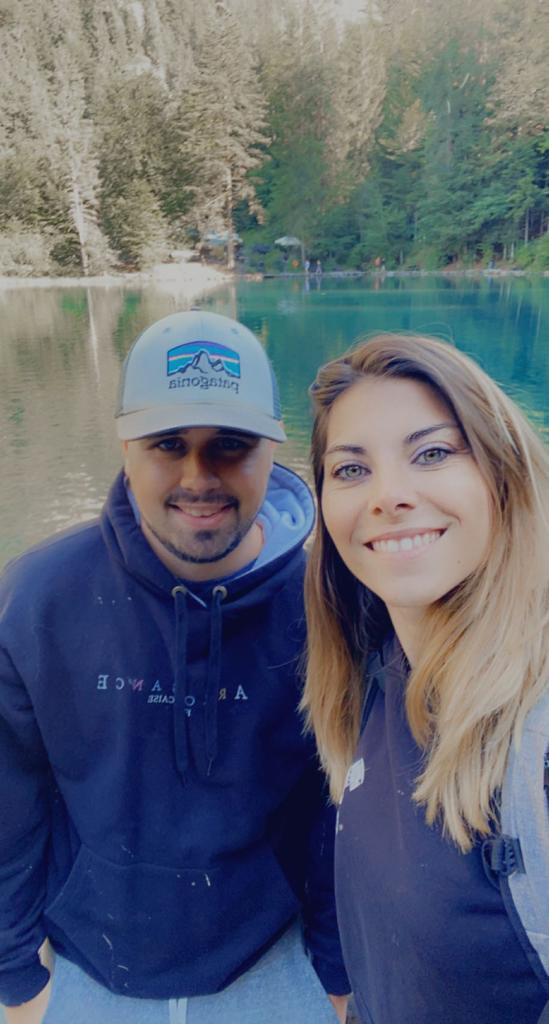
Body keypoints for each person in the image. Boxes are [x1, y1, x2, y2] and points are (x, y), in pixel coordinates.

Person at [0, 311, 349, 1024]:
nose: (198, 476)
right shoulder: (37, 598)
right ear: (125, 446)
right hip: (85, 970)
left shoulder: (331, 604)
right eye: (168, 444)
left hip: (276, 962)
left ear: (271, 448)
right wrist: (14, 976)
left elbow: (339, 807)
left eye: (230, 444)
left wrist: (337, 970)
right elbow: (11, 803)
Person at [302, 333, 549, 1024]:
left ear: (502, 474)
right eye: (351, 469)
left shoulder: (536, 739)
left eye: (432, 453)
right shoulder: (372, 672)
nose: (388, 496)